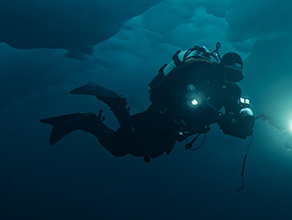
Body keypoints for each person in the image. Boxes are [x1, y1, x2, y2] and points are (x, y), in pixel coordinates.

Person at [40, 45, 257, 162]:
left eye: (236, 76)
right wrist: (198, 103)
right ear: (221, 68)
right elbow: (177, 89)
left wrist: (244, 124)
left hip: (175, 131)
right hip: (161, 116)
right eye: (229, 73)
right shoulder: (201, 71)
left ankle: (92, 117)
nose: (231, 79)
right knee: (121, 145)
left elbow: (230, 119)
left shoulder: (232, 91)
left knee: (130, 149)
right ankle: (111, 106)